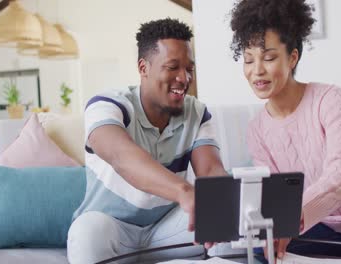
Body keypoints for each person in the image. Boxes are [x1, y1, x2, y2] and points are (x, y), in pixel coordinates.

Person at [229, 0, 341, 263]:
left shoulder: (329, 98)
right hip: (314, 227)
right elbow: (275, 193)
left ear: (292, 57)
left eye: (268, 57)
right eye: (248, 60)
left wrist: (295, 214)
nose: (257, 70)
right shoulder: (257, 129)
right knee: (262, 248)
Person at [67, 18, 227, 264]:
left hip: (167, 229)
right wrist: (183, 191)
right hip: (111, 229)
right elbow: (122, 156)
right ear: (143, 68)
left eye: (189, 69)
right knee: (85, 233)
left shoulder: (197, 112)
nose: (184, 79)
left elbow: (211, 170)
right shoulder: (107, 105)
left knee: (233, 221)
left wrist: (225, 202)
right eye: (172, 67)